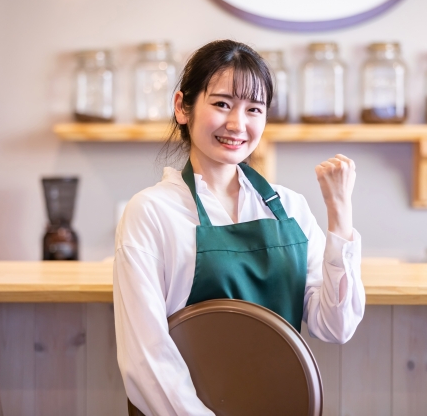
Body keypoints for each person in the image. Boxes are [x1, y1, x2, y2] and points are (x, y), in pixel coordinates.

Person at [113, 40, 365, 416]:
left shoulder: (289, 208)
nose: (237, 124)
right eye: (221, 104)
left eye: (254, 109)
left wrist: (340, 213)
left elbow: (336, 325)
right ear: (182, 106)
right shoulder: (151, 212)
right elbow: (146, 357)